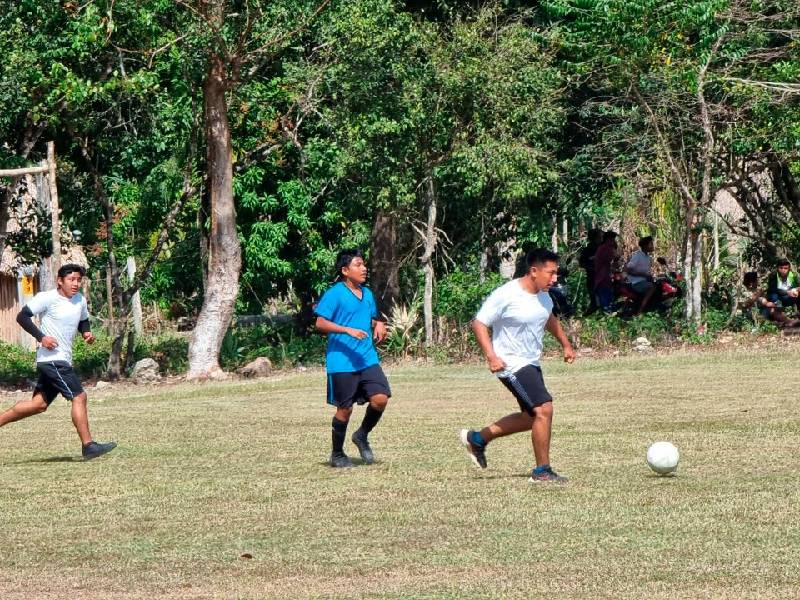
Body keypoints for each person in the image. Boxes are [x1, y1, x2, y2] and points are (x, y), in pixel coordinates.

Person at [460, 248, 576, 483]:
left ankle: (478, 439)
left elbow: (548, 318)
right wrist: (491, 356)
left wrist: (565, 344)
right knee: (544, 409)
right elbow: (479, 323)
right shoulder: (507, 294)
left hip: (530, 362)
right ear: (534, 271)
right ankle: (542, 471)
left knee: (531, 417)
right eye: (551, 273)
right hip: (510, 362)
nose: (555, 278)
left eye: (556, 273)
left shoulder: (543, 295)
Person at [2, 264, 117, 460]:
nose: (75, 284)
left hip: (60, 359)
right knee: (79, 397)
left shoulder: (79, 300)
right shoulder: (47, 298)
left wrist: (86, 333)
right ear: (60, 281)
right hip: (52, 359)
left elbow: (83, 320)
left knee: (38, 404)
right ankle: (88, 446)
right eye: (71, 280)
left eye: (79, 280)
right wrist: (41, 338)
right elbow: (22, 317)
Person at [315, 248, 390, 468]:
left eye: (364, 264)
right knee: (344, 410)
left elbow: (373, 318)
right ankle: (337, 454)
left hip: (367, 358)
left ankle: (361, 435)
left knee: (381, 398)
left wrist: (380, 324)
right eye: (358, 265)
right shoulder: (335, 294)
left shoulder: (367, 294)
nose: (364, 268)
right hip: (341, 361)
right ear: (345, 270)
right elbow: (320, 323)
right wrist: (346, 330)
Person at [624, 236, 658, 315]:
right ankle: (640, 310)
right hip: (636, 283)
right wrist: (643, 275)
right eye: (651, 244)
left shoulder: (648, 257)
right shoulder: (637, 255)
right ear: (645, 246)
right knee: (652, 287)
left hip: (643, 282)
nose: (653, 246)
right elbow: (628, 270)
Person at [578, 228, 603, 315]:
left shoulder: (602, 248)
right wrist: (592, 267)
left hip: (604, 278)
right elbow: (582, 263)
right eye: (599, 237)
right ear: (593, 238)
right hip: (593, 278)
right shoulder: (587, 250)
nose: (601, 239)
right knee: (595, 301)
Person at [593, 231, 619, 313]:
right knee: (605, 298)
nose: (613, 241)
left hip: (605, 275)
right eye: (612, 239)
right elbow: (614, 258)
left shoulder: (604, 247)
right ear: (608, 239)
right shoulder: (605, 248)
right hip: (602, 276)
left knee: (608, 295)